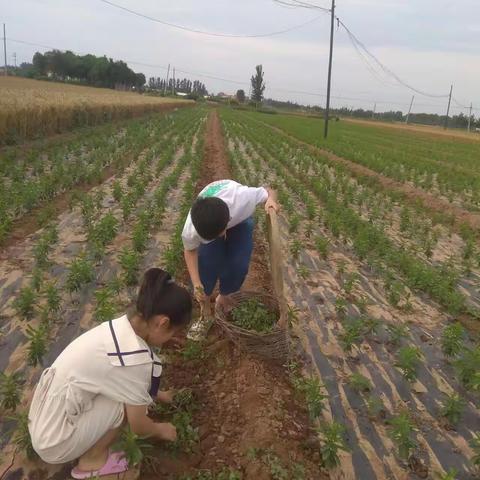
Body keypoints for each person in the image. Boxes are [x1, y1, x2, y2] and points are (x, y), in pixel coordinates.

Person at [28, 268, 192, 479]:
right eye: (174, 332)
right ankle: (92, 461)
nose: (172, 339)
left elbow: (119, 376)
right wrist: (162, 430)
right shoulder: (135, 361)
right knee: (123, 404)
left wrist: (160, 395)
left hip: (44, 416)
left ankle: (84, 442)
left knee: (126, 392)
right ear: (162, 323)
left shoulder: (119, 328)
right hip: (54, 441)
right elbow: (140, 426)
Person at [182, 179, 279, 334]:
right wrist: (196, 283)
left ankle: (224, 297)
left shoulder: (244, 199)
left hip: (239, 218)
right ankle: (205, 311)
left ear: (227, 222)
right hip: (214, 217)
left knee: (239, 264)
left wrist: (271, 200)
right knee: (206, 264)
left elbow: (269, 189)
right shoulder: (192, 229)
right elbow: (190, 251)